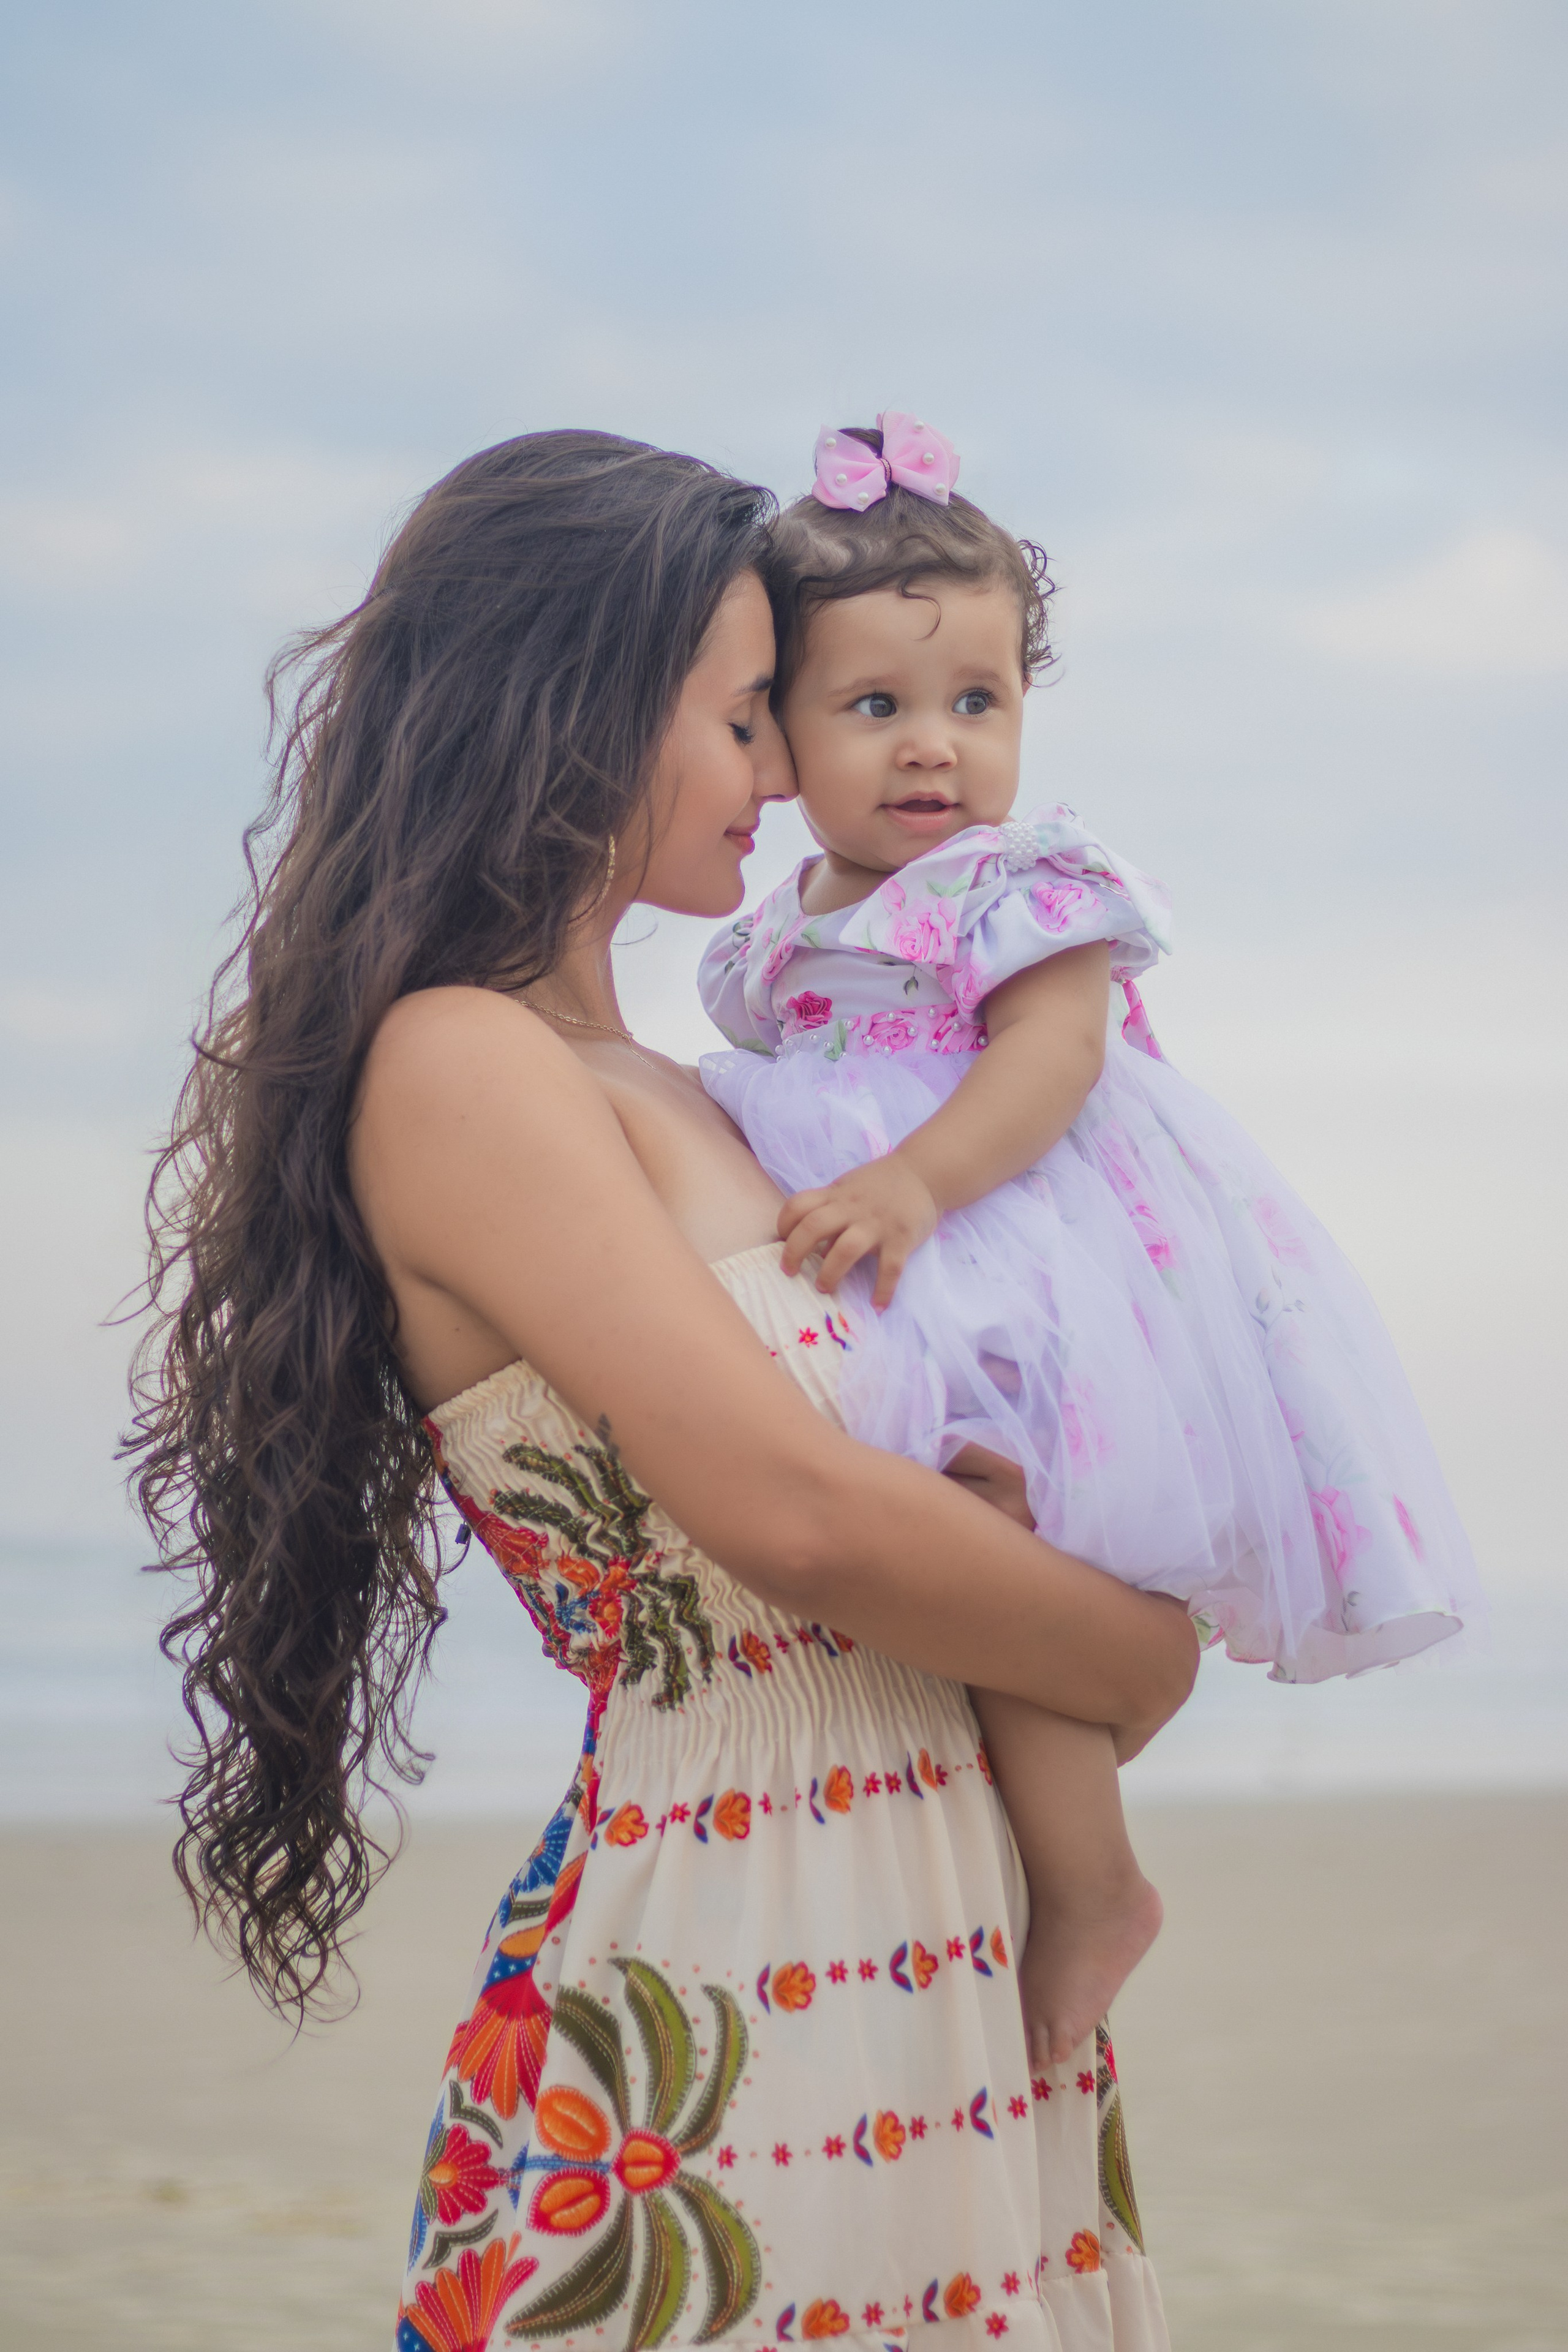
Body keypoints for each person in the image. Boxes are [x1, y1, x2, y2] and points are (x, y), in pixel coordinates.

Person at [129, 430, 1199, 2352]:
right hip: (739, 1938)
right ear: (581, 721)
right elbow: (786, 1512)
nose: (786, 775)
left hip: (935, 1940)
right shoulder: (458, 1064)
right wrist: (1138, 1663)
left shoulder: (705, 1090)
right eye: (738, 719)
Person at [699, 411, 1484, 2071]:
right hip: (906, 1259)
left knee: (1024, 1534)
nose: (937, 748)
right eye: (878, 707)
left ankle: (1093, 1885)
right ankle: (982, 1843)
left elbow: (1053, 1063)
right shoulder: (774, 945)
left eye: (978, 703)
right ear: (772, 738)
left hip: (1032, 1249)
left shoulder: (1021, 885)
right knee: (944, 1552)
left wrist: (915, 1181)